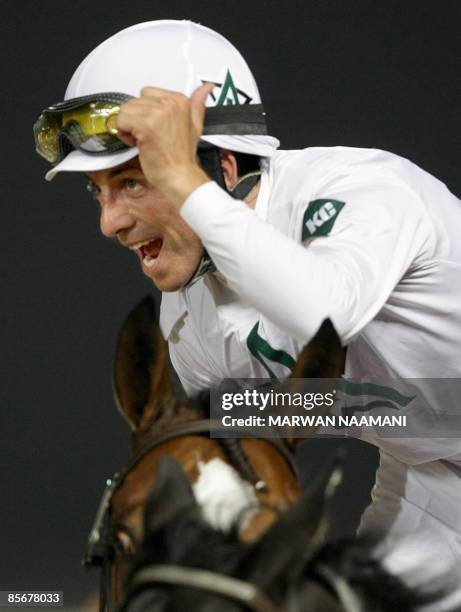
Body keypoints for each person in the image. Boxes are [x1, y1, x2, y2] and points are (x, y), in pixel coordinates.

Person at [34, 20, 461, 608]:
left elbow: (327, 311)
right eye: (99, 193)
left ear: (223, 168)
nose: (110, 222)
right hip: (434, 478)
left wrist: (182, 179)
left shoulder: (365, 188)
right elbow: (284, 426)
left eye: (134, 181)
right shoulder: (187, 318)